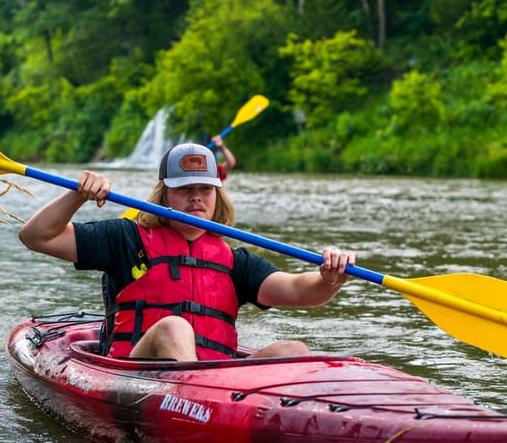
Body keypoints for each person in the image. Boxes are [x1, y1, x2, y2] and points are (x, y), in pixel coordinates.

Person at [19, 143, 355, 361]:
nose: (196, 197)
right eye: (185, 189)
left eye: (205, 189)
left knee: (293, 351)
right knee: (173, 328)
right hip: (135, 375)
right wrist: (77, 195)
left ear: (216, 195)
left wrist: (330, 277)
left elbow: (301, 291)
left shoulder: (235, 261)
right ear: (165, 195)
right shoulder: (126, 238)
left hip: (216, 387)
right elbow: (37, 237)